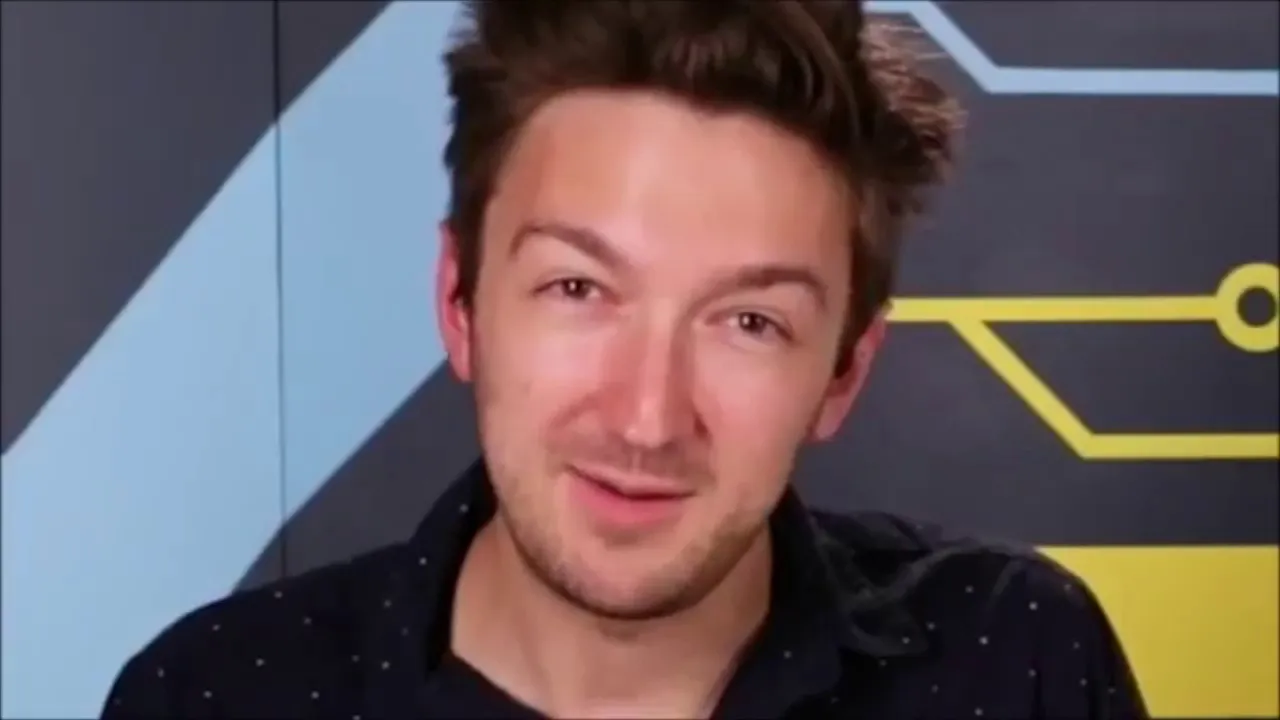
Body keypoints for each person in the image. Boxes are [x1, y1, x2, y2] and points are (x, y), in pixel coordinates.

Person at [101, 1, 1148, 718]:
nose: (647, 419)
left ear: (842, 374)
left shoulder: (1017, 665)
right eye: (578, 290)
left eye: (749, 322)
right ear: (460, 304)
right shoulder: (214, 696)